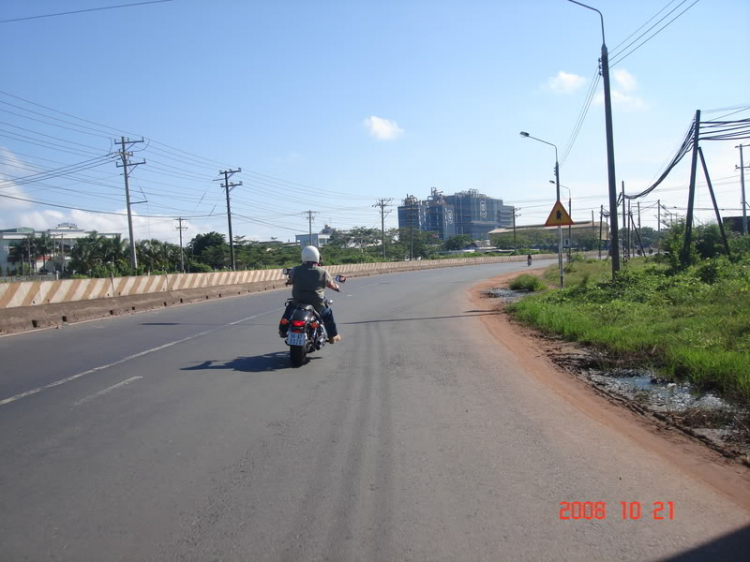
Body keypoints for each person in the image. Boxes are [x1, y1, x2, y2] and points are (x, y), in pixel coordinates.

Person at [279, 246, 342, 344]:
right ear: (317, 257)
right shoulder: (323, 272)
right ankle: (332, 336)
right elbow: (330, 285)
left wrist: (289, 282)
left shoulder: (295, 270)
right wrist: (336, 288)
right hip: (317, 302)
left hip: (298, 301)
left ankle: (282, 331)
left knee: (288, 312)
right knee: (328, 314)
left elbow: (290, 280)